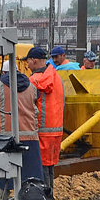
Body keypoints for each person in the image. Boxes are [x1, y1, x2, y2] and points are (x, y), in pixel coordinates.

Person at [0, 59, 43, 195]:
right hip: (29, 138)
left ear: (4, 72)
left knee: (2, 177)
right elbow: (36, 99)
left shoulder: (0, 85)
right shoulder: (31, 86)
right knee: (29, 178)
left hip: (4, 139)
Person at [25, 47, 64, 188]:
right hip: (56, 131)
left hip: (41, 132)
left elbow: (28, 107)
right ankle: (50, 199)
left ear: (34, 60)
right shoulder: (57, 78)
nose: (27, 65)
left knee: (40, 169)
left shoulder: (33, 80)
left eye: (28, 61)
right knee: (49, 167)